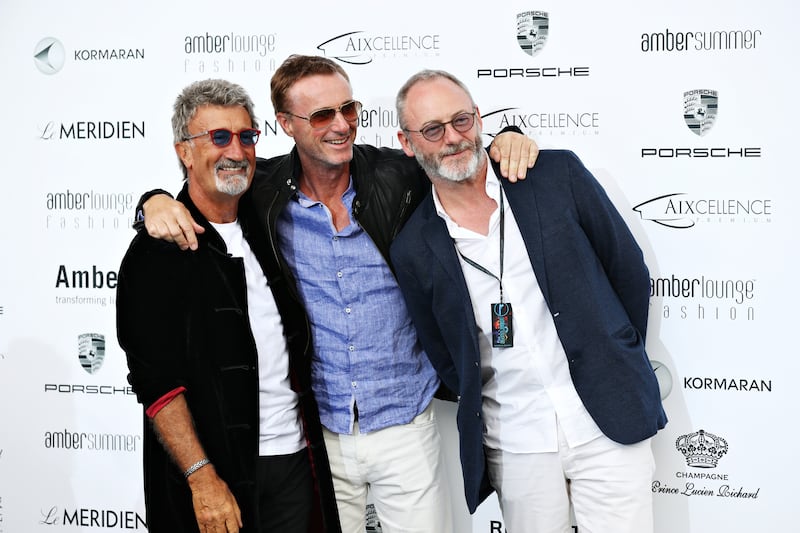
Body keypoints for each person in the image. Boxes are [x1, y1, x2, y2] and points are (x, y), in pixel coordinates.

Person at [136, 55, 538, 533]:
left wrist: (508, 135)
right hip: (320, 437)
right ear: (285, 124)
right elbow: (209, 182)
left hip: (405, 423)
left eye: (349, 109)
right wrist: (151, 201)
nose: (341, 125)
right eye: (322, 115)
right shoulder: (261, 189)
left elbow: (454, 150)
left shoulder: (398, 173)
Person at [389, 70, 667, 533]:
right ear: (407, 141)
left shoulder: (555, 175)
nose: (453, 138)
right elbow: (445, 355)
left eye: (461, 120)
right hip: (514, 443)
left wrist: (614, 350)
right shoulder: (413, 248)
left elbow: (627, 273)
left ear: (479, 118)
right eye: (433, 129)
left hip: (606, 419)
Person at [116, 79, 340, 533]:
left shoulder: (268, 217)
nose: (235, 150)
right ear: (184, 151)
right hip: (218, 475)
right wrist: (202, 480)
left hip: (295, 465)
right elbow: (157, 387)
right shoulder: (156, 252)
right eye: (218, 137)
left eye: (246, 136)